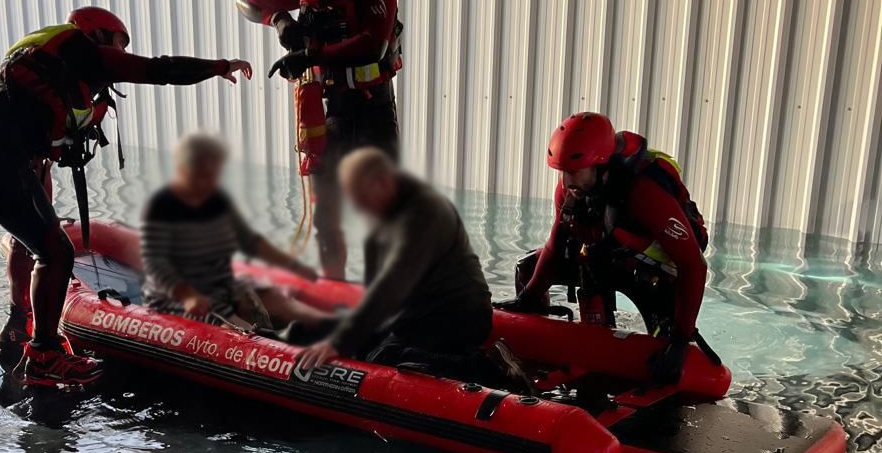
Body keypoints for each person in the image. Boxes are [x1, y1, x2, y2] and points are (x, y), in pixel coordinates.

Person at [0, 7, 251, 384]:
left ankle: (19, 327)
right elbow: (157, 70)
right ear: (98, 36)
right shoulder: (79, 48)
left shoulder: (47, 64)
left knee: (37, 243)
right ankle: (44, 357)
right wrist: (219, 66)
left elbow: (35, 148)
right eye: (118, 45)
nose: (119, 56)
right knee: (56, 253)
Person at [237, 0, 402, 280]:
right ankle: (333, 287)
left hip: (373, 109)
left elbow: (372, 46)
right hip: (334, 110)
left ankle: (388, 296)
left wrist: (311, 54)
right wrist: (281, 21)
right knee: (326, 211)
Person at [507, 110, 708, 384]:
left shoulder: (644, 194)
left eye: (574, 172)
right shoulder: (570, 191)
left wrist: (681, 340)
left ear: (600, 165)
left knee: (664, 351)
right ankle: (537, 357)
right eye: (562, 172)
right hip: (604, 260)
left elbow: (693, 265)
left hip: (655, 275)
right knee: (528, 268)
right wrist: (527, 299)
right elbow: (555, 248)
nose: (566, 182)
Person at [299, 149, 492, 374]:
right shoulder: (381, 218)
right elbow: (374, 289)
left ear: (382, 182)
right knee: (361, 344)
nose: (359, 208)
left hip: (459, 316)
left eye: (361, 198)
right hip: (419, 313)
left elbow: (390, 286)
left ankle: (481, 367)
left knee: (381, 357)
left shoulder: (425, 213)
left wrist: (339, 342)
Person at [141, 133, 326, 328]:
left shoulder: (218, 201)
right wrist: (187, 296)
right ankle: (266, 343)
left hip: (221, 286)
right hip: (180, 298)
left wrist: (293, 265)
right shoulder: (161, 207)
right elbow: (155, 264)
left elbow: (250, 242)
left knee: (277, 305)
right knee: (240, 330)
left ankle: (335, 334)